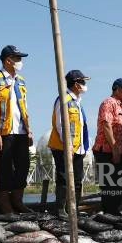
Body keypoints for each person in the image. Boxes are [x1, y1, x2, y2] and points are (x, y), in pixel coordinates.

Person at [0, 45, 33, 214]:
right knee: (4, 167)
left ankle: (18, 200)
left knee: (23, 165)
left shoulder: (21, 80)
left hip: (21, 131)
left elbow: (24, 106)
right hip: (3, 131)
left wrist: (29, 130)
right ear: (7, 60)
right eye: (17, 58)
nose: (20, 61)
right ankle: (5, 203)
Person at [48, 70, 90, 220]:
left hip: (78, 148)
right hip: (62, 147)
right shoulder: (63, 99)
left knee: (77, 181)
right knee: (64, 178)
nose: (85, 85)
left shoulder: (77, 102)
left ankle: (73, 209)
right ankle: (60, 210)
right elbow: (60, 125)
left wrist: (82, 147)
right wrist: (68, 145)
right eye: (83, 82)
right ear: (77, 84)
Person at [93, 78, 122, 215]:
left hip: (118, 149)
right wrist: (114, 149)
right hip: (105, 150)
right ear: (117, 89)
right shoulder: (108, 103)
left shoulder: (121, 105)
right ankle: (109, 211)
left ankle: (114, 210)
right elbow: (106, 125)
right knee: (109, 183)